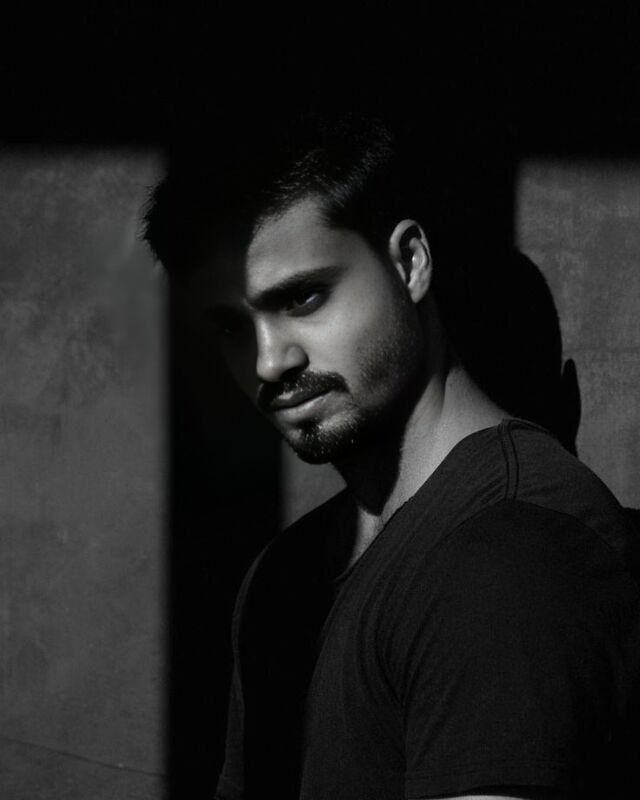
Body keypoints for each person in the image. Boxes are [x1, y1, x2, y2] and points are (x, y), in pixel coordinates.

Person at [143, 113, 640, 800]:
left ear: (410, 263)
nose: (268, 361)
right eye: (233, 326)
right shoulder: (283, 578)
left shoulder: (513, 560)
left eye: (303, 297)